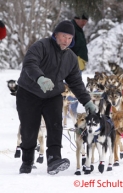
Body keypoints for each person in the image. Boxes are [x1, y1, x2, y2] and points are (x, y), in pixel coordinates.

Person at [16, 20, 96, 175]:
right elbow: (30, 63)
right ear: (55, 35)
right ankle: (27, 161)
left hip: (52, 96)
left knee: (55, 126)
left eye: (69, 38)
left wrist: (87, 102)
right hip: (28, 93)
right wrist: (40, 78)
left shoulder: (71, 58)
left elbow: (76, 83)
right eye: (63, 36)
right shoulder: (41, 46)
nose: (66, 41)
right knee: (29, 129)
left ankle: (54, 160)